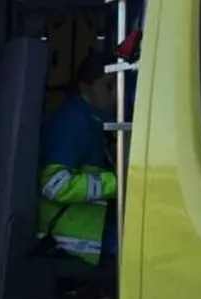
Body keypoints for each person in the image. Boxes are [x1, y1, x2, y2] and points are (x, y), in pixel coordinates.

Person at [38, 51, 119, 266]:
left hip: (92, 238)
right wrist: (117, 183)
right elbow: (54, 184)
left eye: (119, 86)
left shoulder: (97, 122)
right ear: (84, 87)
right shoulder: (71, 124)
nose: (115, 95)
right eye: (108, 86)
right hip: (67, 246)